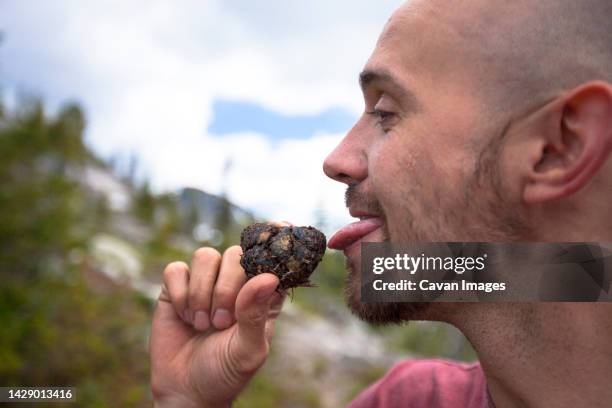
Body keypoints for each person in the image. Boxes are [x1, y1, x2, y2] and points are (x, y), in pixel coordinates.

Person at [149, 0, 612, 406]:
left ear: (558, 147)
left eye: (386, 112)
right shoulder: (409, 401)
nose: (337, 161)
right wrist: (187, 404)